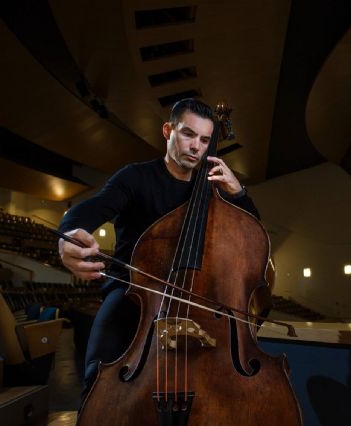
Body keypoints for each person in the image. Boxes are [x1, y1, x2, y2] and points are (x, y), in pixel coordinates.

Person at [58, 98, 259, 400]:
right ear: (168, 131)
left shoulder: (214, 190)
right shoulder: (135, 178)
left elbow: (252, 235)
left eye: (205, 140)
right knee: (99, 380)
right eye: (188, 134)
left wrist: (240, 194)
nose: (197, 147)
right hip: (132, 297)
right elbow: (93, 208)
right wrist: (68, 235)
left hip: (198, 301)